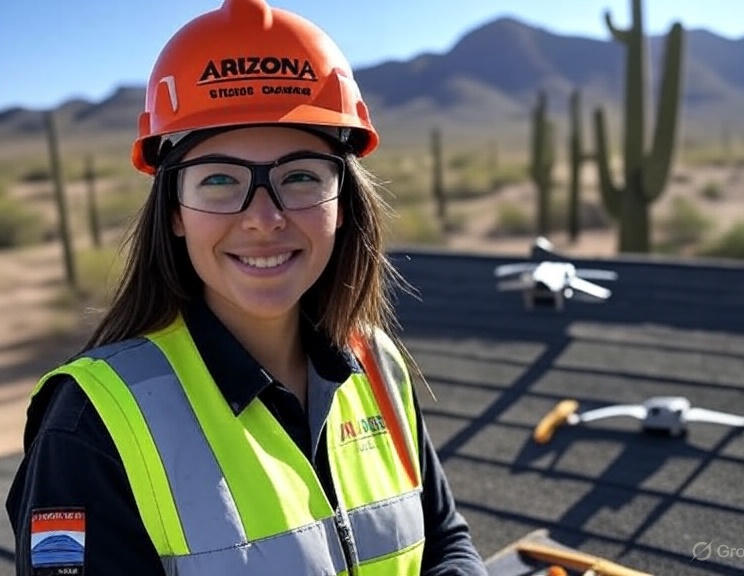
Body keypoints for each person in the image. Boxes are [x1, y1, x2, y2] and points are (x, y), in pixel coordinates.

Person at [6, 0, 488, 574]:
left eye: (301, 176)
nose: (264, 217)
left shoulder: (376, 365)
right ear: (176, 212)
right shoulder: (91, 425)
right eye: (219, 180)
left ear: (344, 203)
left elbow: (444, 541)